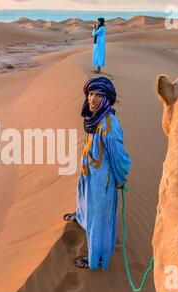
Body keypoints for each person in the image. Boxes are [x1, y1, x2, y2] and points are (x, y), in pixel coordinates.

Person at [63, 77, 131, 270]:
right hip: (91, 175)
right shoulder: (94, 119)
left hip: (103, 182)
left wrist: (120, 179)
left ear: (107, 99)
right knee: (84, 200)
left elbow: (121, 159)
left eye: (99, 95)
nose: (92, 99)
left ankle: (97, 258)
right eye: (91, 94)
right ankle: (80, 216)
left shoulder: (109, 127)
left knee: (99, 221)